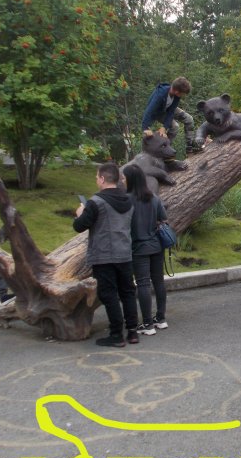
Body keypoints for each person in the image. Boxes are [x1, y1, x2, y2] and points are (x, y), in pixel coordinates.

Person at [73, 163, 139, 347]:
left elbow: (80, 226)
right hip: (125, 253)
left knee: (108, 294)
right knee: (127, 292)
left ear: (102, 179)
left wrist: (80, 214)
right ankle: (132, 332)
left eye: (97, 177)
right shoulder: (128, 201)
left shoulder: (95, 202)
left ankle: (116, 334)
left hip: (104, 255)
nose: (96, 180)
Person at [124, 163, 170, 335]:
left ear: (130, 180)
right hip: (156, 246)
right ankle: (161, 319)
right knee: (158, 281)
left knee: (143, 283)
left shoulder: (126, 200)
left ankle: (148, 324)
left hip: (138, 248)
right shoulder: (154, 198)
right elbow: (163, 218)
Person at [140, 76, 200, 158]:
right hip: (158, 112)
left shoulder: (176, 96)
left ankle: (190, 148)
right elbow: (149, 111)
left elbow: (171, 112)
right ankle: (164, 151)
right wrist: (145, 128)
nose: (183, 95)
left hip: (168, 108)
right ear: (177, 91)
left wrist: (164, 127)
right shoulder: (160, 94)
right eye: (182, 94)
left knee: (189, 119)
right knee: (175, 126)